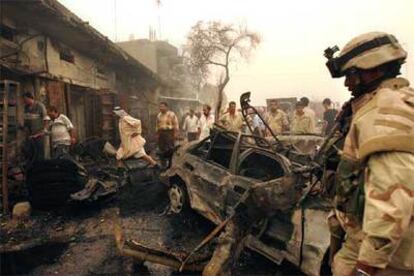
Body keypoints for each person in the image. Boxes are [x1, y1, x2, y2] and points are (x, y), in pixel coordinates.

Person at [324, 32, 414, 276]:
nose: (347, 84)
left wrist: (365, 268)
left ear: (373, 71)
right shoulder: (402, 101)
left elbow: (394, 197)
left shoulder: (384, 111)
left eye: (351, 75)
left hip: (384, 258)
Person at [23, 91, 49, 162]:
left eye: (25, 99)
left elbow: (46, 119)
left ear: (30, 98)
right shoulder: (26, 108)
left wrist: (44, 130)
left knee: (39, 152)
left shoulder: (40, 106)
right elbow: (26, 120)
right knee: (30, 153)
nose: (24, 101)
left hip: (39, 134)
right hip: (30, 134)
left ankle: (40, 168)